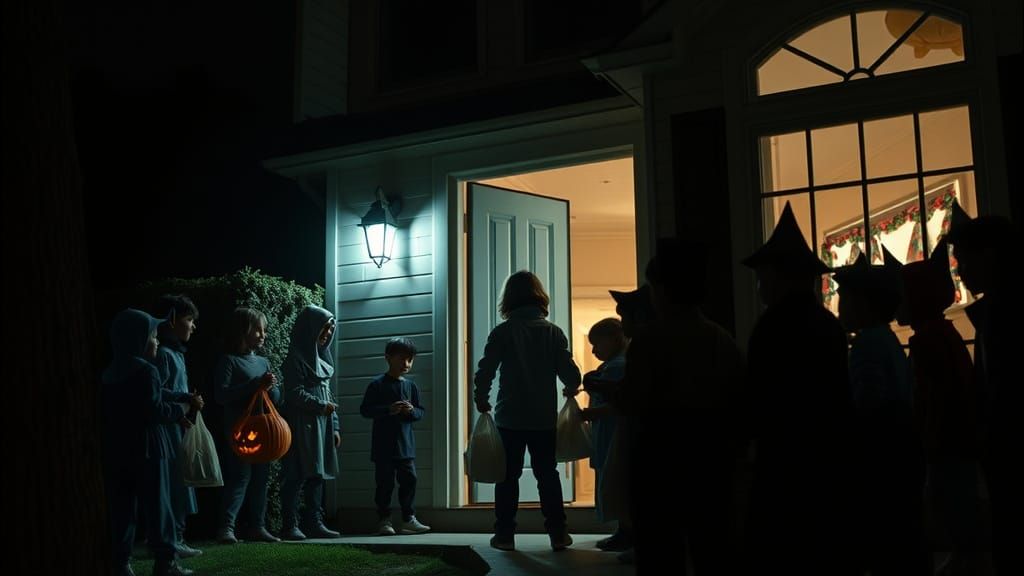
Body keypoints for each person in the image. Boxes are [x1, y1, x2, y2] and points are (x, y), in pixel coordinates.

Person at [742, 202, 858, 575]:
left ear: (779, 277)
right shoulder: (828, 324)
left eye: (763, 276)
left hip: (783, 456)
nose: (760, 285)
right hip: (830, 453)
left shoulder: (772, 325)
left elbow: (760, 397)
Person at [633, 237, 746, 574]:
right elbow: (738, 396)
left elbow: (636, 398)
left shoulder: (648, 339)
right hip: (711, 457)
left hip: (659, 458)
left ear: (663, 290)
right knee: (711, 547)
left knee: (659, 552)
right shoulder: (720, 338)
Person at [473, 270, 582, 552]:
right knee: (547, 474)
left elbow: (485, 370)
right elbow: (570, 374)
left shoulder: (503, 332)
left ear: (509, 300)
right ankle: (558, 533)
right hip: (543, 419)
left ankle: (505, 535)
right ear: (540, 297)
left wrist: (480, 398)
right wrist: (571, 388)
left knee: (507, 476)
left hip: (510, 417)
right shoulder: (553, 332)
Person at [834, 249, 928, 575]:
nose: (838, 307)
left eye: (843, 298)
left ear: (863, 304)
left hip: (882, 462)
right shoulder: (886, 340)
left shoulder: (866, 346)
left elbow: (868, 410)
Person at [899, 238, 982, 575]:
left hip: (945, 446)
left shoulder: (928, 342)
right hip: (954, 443)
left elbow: (935, 399)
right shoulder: (943, 335)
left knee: (951, 505)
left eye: (902, 295)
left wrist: (928, 442)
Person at [946, 204, 1020, 575]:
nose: (959, 270)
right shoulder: (995, 315)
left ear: (988, 255)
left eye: (962, 259)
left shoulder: (1002, 318)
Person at [102, 308, 195, 576]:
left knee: (123, 509)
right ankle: (165, 562)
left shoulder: (110, 373)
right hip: (150, 447)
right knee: (159, 506)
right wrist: (182, 410)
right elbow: (154, 410)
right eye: (152, 335)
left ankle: (121, 562)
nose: (156, 340)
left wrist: (178, 397)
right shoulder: (146, 371)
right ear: (138, 339)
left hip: (118, 449)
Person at [212, 307, 281, 544]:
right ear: (242, 331)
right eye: (258, 330)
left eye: (264, 330)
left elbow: (274, 400)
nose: (263, 335)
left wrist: (272, 388)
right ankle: (226, 528)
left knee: (261, 479)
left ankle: (258, 527)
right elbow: (221, 396)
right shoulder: (229, 361)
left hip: (264, 431)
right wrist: (255, 384)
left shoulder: (263, 362)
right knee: (239, 477)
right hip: (239, 430)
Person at [280, 305, 342, 540]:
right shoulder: (295, 359)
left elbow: (328, 395)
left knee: (318, 473)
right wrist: (319, 407)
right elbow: (294, 392)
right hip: (301, 424)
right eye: (323, 329)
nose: (326, 334)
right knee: (296, 473)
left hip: (321, 425)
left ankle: (314, 521)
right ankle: (290, 524)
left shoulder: (323, 360)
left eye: (329, 330)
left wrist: (334, 425)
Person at [360, 337, 431, 536]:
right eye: (402, 359)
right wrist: (387, 410)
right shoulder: (377, 385)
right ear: (388, 358)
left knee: (410, 480)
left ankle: (408, 519)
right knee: (384, 484)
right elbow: (365, 410)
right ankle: (384, 521)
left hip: (406, 447)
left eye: (410, 360)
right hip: (383, 447)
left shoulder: (411, 386)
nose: (406, 364)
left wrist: (411, 412)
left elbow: (420, 412)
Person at [151, 294, 205, 558]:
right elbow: (157, 393)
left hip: (177, 425)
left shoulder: (175, 354)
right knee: (173, 483)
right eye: (189, 320)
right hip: (167, 431)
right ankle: (171, 538)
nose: (193, 326)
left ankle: (177, 536)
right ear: (172, 321)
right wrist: (186, 400)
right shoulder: (163, 355)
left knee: (181, 482)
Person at [580, 318, 630, 551]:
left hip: (614, 435)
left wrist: (588, 414)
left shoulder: (618, 367)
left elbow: (618, 404)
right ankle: (623, 531)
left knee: (616, 484)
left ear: (614, 339)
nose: (594, 350)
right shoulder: (611, 367)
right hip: (608, 434)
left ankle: (626, 532)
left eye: (597, 343)